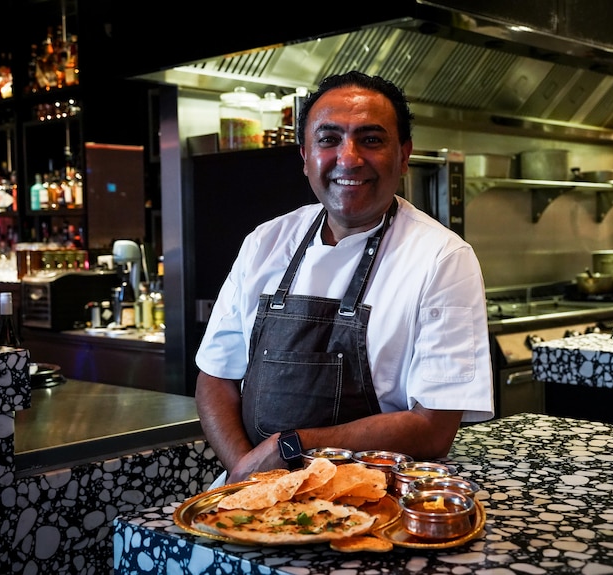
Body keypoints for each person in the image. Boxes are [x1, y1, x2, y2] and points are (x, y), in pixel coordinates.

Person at [194, 70, 493, 485]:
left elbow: (433, 429)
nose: (348, 158)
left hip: (376, 502)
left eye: (371, 140)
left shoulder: (442, 258)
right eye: (328, 139)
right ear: (304, 156)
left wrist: (291, 446)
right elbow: (215, 375)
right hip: (250, 499)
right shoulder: (265, 242)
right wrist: (248, 478)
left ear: (404, 155)